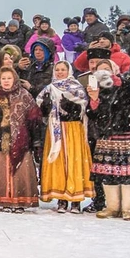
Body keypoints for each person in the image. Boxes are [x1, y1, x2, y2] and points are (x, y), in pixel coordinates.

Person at [0, 67, 42, 212]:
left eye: (9, 78)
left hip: (21, 138)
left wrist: (36, 140)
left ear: (14, 78)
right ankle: (3, 199)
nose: (6, 81)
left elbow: (34, 119)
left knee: (20, 170)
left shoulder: (25, 95)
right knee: (1, 169)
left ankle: (20, 200)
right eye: (3, 78)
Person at [87, 60, 130, 221]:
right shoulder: (97, 89)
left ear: (115, 69)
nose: (104, 72)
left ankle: (128, 208)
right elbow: (93, 115)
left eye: (107, 69)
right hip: (106, 135)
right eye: (100, 70)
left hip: (128, 133)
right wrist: (95, 100)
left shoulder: (129, 83)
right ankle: (112, 206)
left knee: (129, 173)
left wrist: (117, 84)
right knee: (107, 172)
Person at [35, 61, 93, 213]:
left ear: (69, 71)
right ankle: (61, 198)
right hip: (56, 128)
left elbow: (83, 105)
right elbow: (39, 104)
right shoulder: (49, 88)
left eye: (63, 69)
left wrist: (74, 107)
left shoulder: (77, 87)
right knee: (59, 162)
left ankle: (75, 200)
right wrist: (45, 107)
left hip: (73, 128)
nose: (60, 72)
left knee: (74, 161)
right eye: (58, 70)